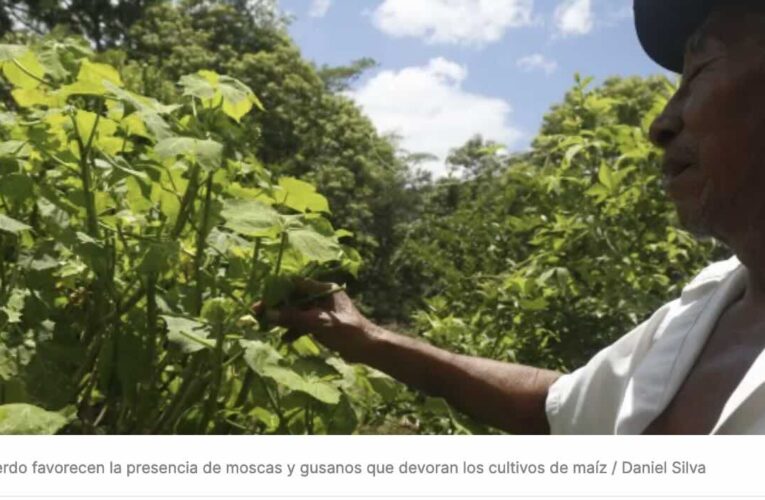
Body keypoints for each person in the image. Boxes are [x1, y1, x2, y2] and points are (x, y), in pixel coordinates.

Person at [256, 0, 765, 434]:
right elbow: (556, 409)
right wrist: (368, 339)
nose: (660, 124)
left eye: (698, 70)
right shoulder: (704, 308)